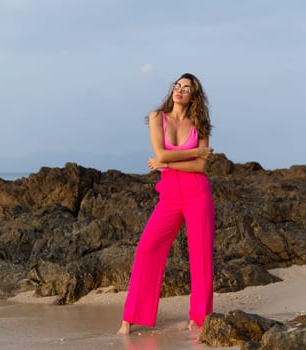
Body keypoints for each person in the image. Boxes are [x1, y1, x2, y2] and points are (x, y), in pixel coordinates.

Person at [117, 73, 215, 335]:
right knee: (148, 249)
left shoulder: (200, 124)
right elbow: (161, 152)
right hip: (170, 194)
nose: (180, 90)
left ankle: (200, 318)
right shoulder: (157, 117)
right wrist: (193, 151)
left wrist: (168, 164)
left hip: (197, 192)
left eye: (186, 88)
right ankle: (131, 318)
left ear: (194, 95)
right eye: (177, 86)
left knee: (201, 257)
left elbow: (201, 167)